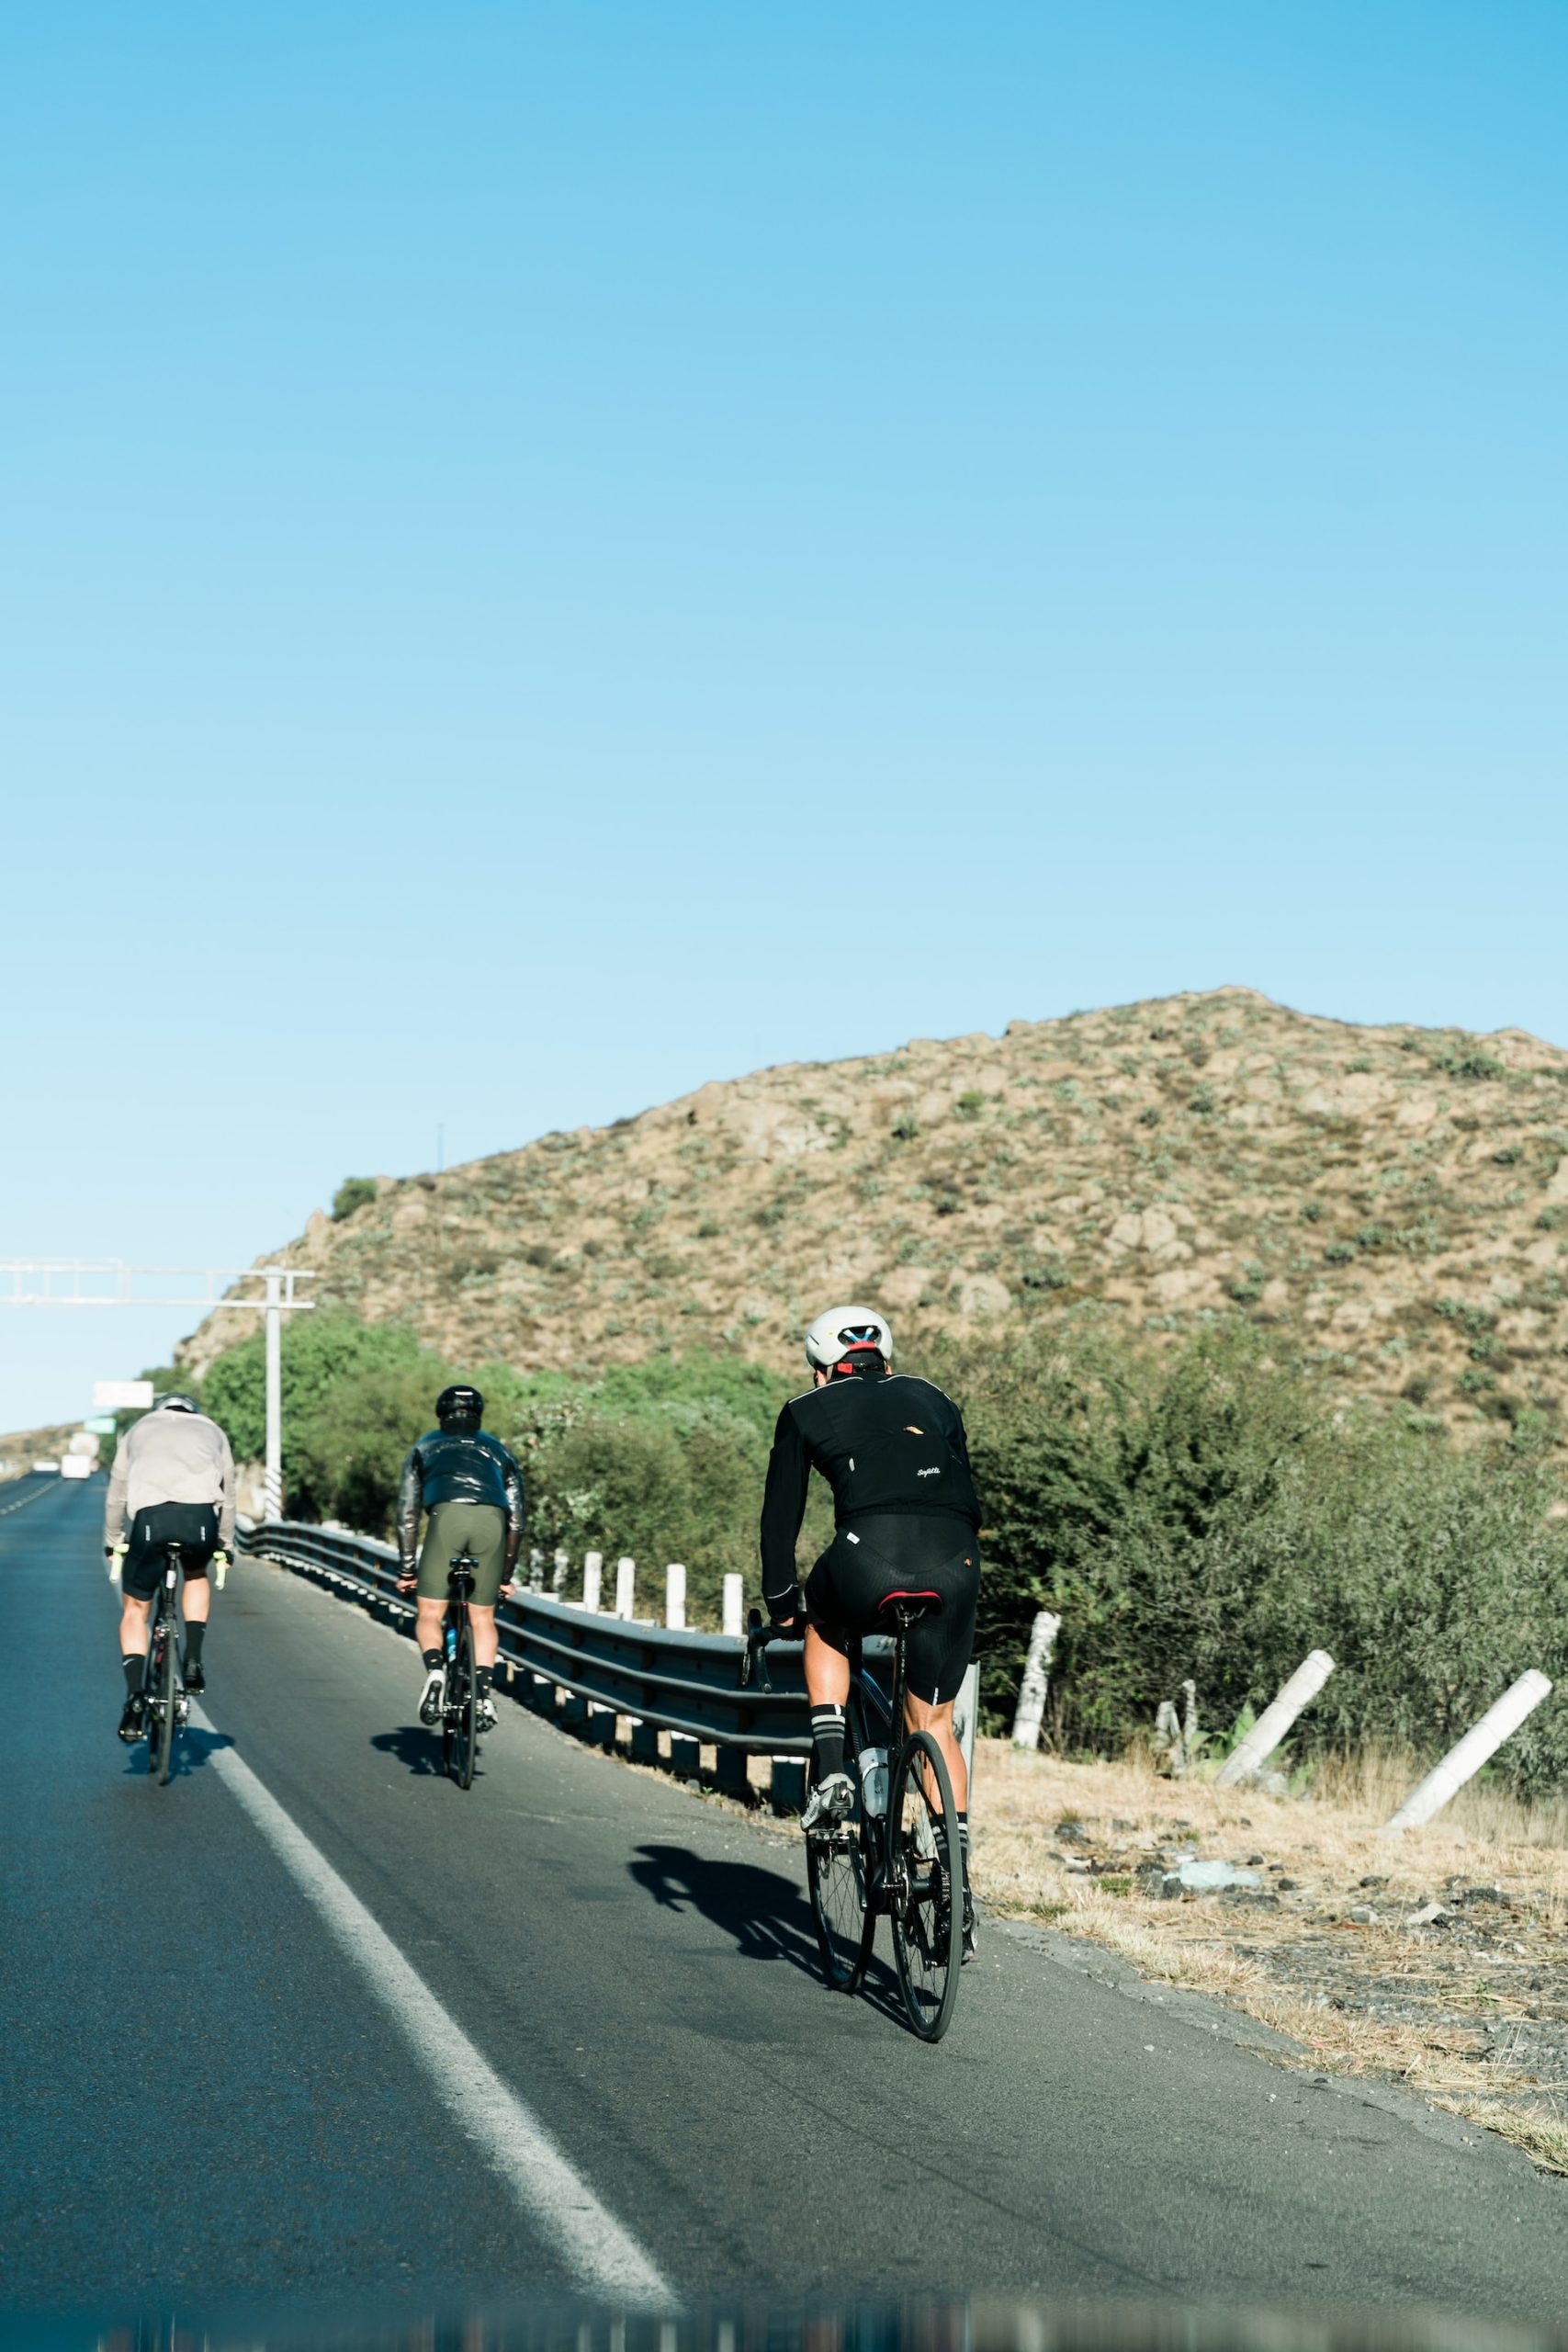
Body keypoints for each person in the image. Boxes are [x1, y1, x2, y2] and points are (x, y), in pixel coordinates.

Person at [759, 1304, 982, 1957]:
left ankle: (831, 1762)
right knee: (933, 1725)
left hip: (865, 1553)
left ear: (823, 1366)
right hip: (955, 1558)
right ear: (884, 1354)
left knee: (822, 1624)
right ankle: (956, 1883)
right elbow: (965, 1487)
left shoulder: (805, 1408)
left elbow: (781, 1519)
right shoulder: (934, 1397)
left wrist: (780, 1603)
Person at [104, 1391, 237, 1741]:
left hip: (151, 1520)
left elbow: (117, 1491)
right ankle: (192, 1657)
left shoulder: (138, 1430)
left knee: (135, 1609)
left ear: (158, 1410)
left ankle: (134, 1696)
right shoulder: (213, 1431)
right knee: (195, 1574)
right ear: (193, 1411)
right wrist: (225, 1544)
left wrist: (113, 1539)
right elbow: (229, 1493)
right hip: (201, 1520)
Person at [396, 1385, 525, 1733]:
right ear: (478, 1414)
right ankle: (483, 1695)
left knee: (430, 1613)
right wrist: (503, 1577)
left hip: (447, 1521)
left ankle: (436, 1671)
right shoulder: (499, 1449)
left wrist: (408, 1570)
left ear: (442, 1413)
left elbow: (407, 1512)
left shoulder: (425, 1445)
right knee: (483, 1619)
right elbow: (518, 1520)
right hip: (492, 1525)